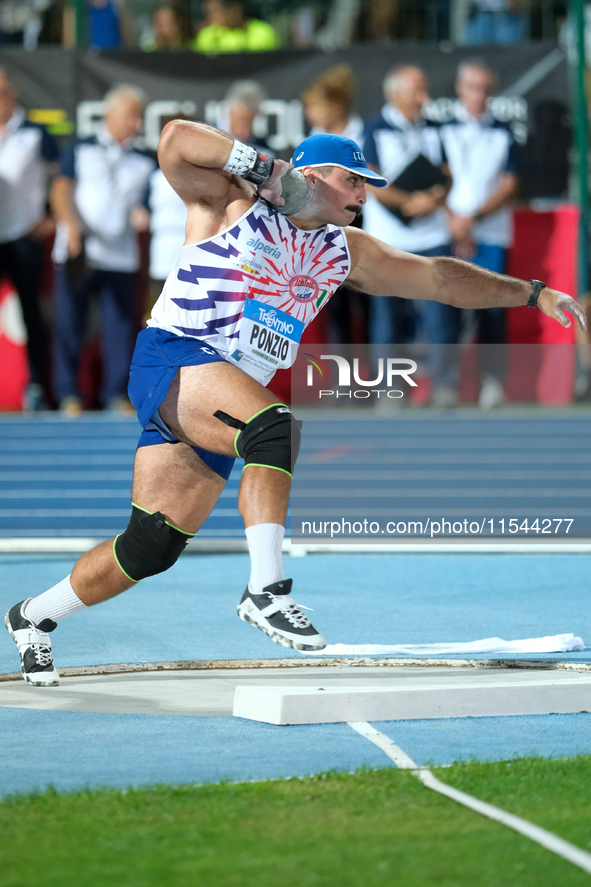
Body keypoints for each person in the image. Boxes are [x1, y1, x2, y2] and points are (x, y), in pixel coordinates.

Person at [4, 128, 584, 686]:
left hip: (223, 390)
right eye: (354, 180)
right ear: (312, 175)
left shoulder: (343, 251)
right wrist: (261, 169)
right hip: (176, 357)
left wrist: (533, 292)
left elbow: (438, 279)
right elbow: (175, 141)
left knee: (149, 545)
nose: (365, 193)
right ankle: (266, 592)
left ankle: (34, 613)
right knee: (274, 429)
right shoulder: (233, 203)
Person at [50, 85, 156, 416]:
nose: (136, 122)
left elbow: (149, 203)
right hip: (78, 250)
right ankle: (68, 394)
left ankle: (116, 394)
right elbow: (61, 190)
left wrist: (144, 213)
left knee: (121, 328)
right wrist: (71, 227)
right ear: (109, 115)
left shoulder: (146, 160)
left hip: (121, 257)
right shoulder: (80, 147)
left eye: (140, 116)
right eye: (130, 115)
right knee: (69, 324)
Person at [362, 65, 458, 407]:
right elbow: (370, 180)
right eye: (417, 91)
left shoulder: (435, 128)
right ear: (396, 94)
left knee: (440, 316)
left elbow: (447, 175)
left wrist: (434, 198)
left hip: (432, 236)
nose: (424, 98)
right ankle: (389, 390)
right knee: (387, 319)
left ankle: (445, 386)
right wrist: (410, 202)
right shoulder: (373, 127)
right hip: (387, 240)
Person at [441, 59, 519, 410]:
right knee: (445, 307)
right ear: (460, 89)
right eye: (473, 87)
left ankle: (492, 382)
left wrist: (474, 219)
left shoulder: (505, 132)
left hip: (490, 233)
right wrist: (454, 219)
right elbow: (437, 178)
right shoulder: (439, 130)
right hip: (448, 231)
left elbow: (510, 183)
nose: (479, 95)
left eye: (486, 88)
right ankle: (446, 384)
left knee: (493, 306)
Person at [0, 67, 58, 411]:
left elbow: (62, 175)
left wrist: (52, 215)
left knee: (31, 313)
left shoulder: (36, 133)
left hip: (23, 235)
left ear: (12, 94)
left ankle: (37, 385)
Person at [301, 64, 363, 148]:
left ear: (337, 105)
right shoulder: (311, 140)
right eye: (307, 107)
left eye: (315, 107)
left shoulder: (364, 136)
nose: (308, 114)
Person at [193, 0, 278, 53]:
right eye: (208, 12)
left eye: (214, 11)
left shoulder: (262, 31)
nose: (210, 17)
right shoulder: (207, 35)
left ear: (233, 9)